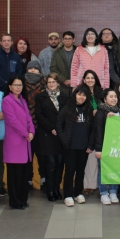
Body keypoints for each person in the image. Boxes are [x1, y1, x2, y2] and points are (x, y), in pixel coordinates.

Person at [57, 85, 95, 207]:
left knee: (80, 171)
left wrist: (90, 145)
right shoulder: (67, 109)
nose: (81, 97)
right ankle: (68, 195)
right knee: (70, 171)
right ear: (75, 95)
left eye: (84, 95)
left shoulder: (88, 109)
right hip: (70, 147)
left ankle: (78, 193)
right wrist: (64, 140)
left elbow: (91, 129)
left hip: (83, 146)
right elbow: (59, 125)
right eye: (79, 94)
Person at [2, 76, 35, 210]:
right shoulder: (6, 101)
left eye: (20, 85)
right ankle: (15, 201)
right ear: (10, 86)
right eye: (15, 85)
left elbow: (29, 119)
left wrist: (32, 131)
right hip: (14, 142)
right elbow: (12, 121)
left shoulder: (22, 100)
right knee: (14, 175)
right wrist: (26, 134)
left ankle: (23, 199)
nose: (18, 87)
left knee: (23, 175)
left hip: (25, 142)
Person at [35, 73, 68, 202]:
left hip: (60, 136)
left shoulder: (64, 97)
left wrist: (59, 129)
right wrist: (51, 128)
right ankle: (49, 190)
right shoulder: (40, 97)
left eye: (54, 82)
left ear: (58, 83)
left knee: (60, 163)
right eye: (49, 82)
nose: (51, 84)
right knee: (51, 164)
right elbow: (39, 115)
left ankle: (56, 189)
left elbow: (67, 115)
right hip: (47, 135)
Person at [95, 88, 120, 205]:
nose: (114, 99)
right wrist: (98, 149)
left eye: (115, 96)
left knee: (115, 169)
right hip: (104, 147)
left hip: (118, 147)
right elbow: (98, 132)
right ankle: (104, 193)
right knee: (103, 171)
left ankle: (113, 192)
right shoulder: (100, 112)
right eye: (111, 96)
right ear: (105, 99)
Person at [22, 60, 46, 191]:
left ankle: (43, 179)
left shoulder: (45, 83)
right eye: (30, 69)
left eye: (35, 69)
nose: (32, 71)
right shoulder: (21, 84)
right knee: (27, 154)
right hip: (25, 125)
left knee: (42, 154)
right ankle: (28, 179)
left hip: (42, 125)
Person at [81, 70, 103, 193]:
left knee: (95, 158)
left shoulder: (101, 92)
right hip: (86, 127)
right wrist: (90, 113)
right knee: (88, 158)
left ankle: (93, 185)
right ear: (84, 80)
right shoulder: (81, 92)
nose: (90, 80)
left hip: (98, 127)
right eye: (87, 78)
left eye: (92, 78)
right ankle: (86, 185)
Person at [50, 30, 76, 96]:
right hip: (61, 85)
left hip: (76, 86)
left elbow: (82, 68)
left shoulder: (78, 51)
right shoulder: (57, 52)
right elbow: (53, 69)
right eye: (65, 39)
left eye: (69, 39)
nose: (67, 41)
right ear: (62, 40)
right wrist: (64, 80)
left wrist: (73, 80)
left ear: (73, 40)